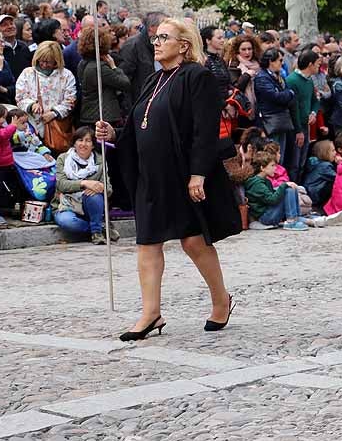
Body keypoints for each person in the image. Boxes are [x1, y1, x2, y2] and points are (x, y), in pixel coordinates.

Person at [95, 18, 241, 342]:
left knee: (193, 242)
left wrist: (198, 175)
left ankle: (221, 300)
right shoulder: (153, 79)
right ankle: (151, 313)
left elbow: (205, 131)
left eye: (164, 37)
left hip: (183, 173)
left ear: (184, 45)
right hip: (151, 176)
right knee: (147, 243)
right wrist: (114, 134)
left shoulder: (197, 77)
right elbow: (139, 126)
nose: (156, 42)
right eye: (155, 37)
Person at [53, 126, 118, 244]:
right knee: (67, 222)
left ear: (93, 145)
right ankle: (98, 230)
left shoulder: (100, 160)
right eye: (80, 140)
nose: (83, 144)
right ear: (74, 143)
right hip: (68, 205)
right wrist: (85, 183)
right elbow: (61, 185)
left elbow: (108, 189)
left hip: (90, 207)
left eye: (88, 141)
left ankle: (96, 233)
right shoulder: (63, 159)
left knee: (95, 196)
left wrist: (100, 187)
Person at [14, 41, 78, 152]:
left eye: (48, 62)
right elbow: (19, 98)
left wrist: (54, 113)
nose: (43, 64)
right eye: (41, 61)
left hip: (57, 127)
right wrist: (31, 105)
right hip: (32, 127)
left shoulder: (66, 75)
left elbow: (70, 101)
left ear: (56, 60)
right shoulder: (27, 73)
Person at [77, 26, 130, 128]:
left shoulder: (82, 63)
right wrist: (114, 67)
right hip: (105, 115)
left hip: (88, 113)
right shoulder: (100, 68)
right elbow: (125, 83)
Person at [244, 151, 309, 231]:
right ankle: (291, 222)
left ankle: (296, 217)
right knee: (288, 189)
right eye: (272, 165)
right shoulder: (257, 184)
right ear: (262, 168)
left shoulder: (266, 180)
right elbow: (272, 200)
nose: (275, 168)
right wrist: (283, 185)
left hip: (268, 214)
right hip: (265, 218)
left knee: (290, 187)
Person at [254, 48, 296, 166]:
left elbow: (287, 93)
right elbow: (276, 96)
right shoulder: (262, 77)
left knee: (280, 155)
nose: (282, 63)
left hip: (281, 119)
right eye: (279, 60)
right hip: (270, 121)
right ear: (270, 61)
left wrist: (287, 94)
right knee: (272, 156)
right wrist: (289, 94)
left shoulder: (278, 76)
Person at [285, 49, 320, 181]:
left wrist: (313, 112)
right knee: (294, 163)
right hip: (295, 128)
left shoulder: (309, 81)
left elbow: (315, 101)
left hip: (306, 126)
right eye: (317, 64)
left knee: (302, 162)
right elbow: (293, 108)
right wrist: (298, 131)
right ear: (310, 64)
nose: (318, 67)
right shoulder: (292, 81)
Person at [0, 13, 32, 103]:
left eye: (11, 23)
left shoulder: (24, 47)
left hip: (26, 96)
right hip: (5, 99)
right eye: (4, 25)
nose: (10, 27)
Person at [0, 101, 17, 224]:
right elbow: (2, 135)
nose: (3, 120)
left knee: (3, 189)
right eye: (1, 117)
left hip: (5, 163)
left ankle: (1, 210)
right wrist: (13, 126)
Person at [0, 30, 15, 102]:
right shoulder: (0, 63)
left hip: (6, 102)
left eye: (3, 41)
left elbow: (14, 86)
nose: (3, 45)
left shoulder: (3, 62)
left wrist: (6, 90)